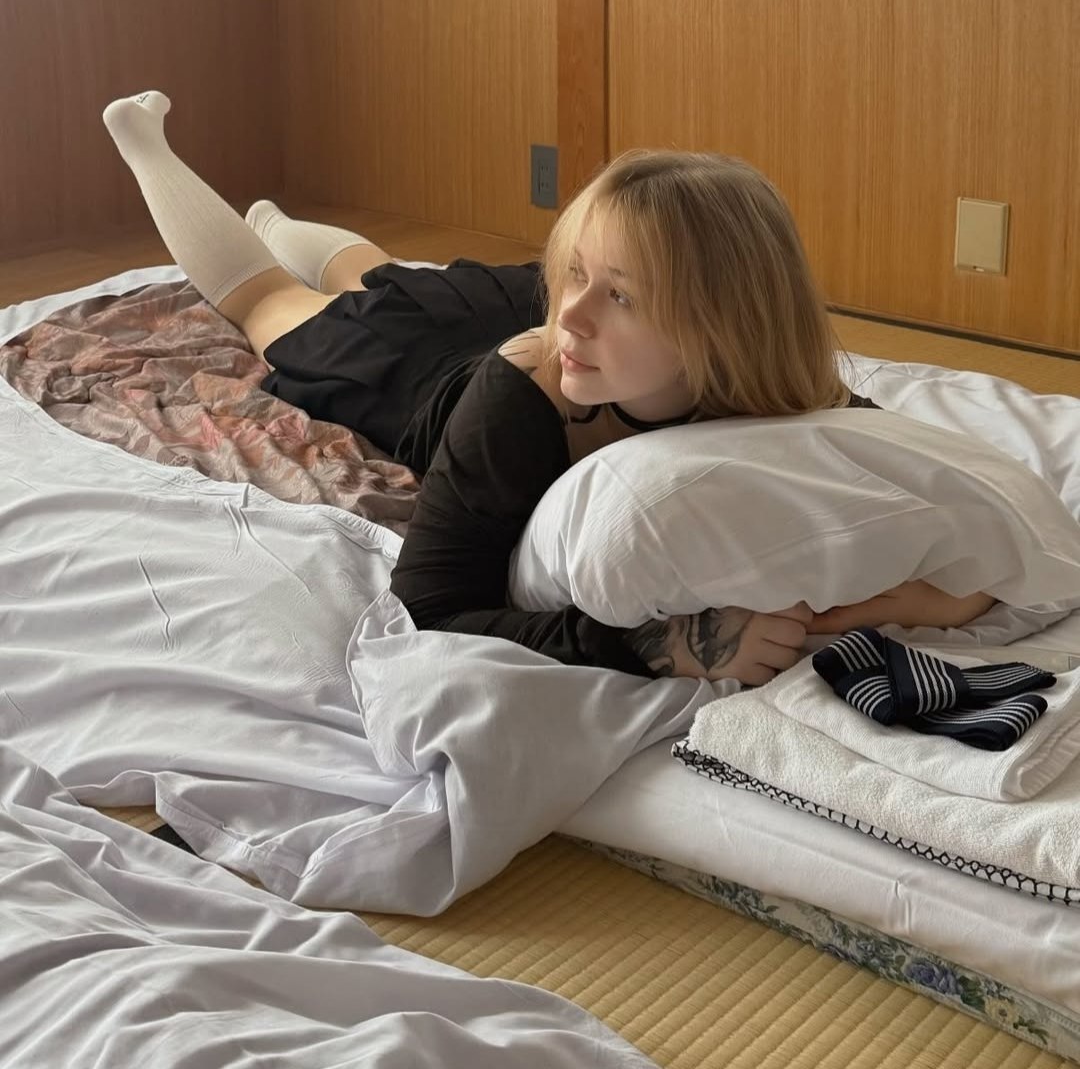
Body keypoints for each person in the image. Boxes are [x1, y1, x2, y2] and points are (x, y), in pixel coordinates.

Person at [103, 92, 993, 687]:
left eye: (620, 295)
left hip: (498, 317)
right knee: (278, 305)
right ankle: (143, 139)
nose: (573, 312)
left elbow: (953, 545)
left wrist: (855, 607)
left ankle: (273, 218)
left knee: (384, 273)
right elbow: (431, 608)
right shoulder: (525, 401)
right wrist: (665, 645)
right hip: (428, 371)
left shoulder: (789, 390)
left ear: (726, 327)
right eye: (575, 274)